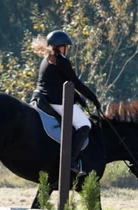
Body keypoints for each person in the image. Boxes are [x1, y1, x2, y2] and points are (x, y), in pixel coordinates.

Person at [32, 30, 101, 175]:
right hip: (55, 101)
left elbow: (60, 82)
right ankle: (71, 160)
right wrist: (93, 98)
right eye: (66, 47)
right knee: (85, 124)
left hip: (42, 98)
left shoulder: (47, 59)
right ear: (60, 46)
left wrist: (78, 98)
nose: (67, 50)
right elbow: (76, 83)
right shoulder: (61, 61)